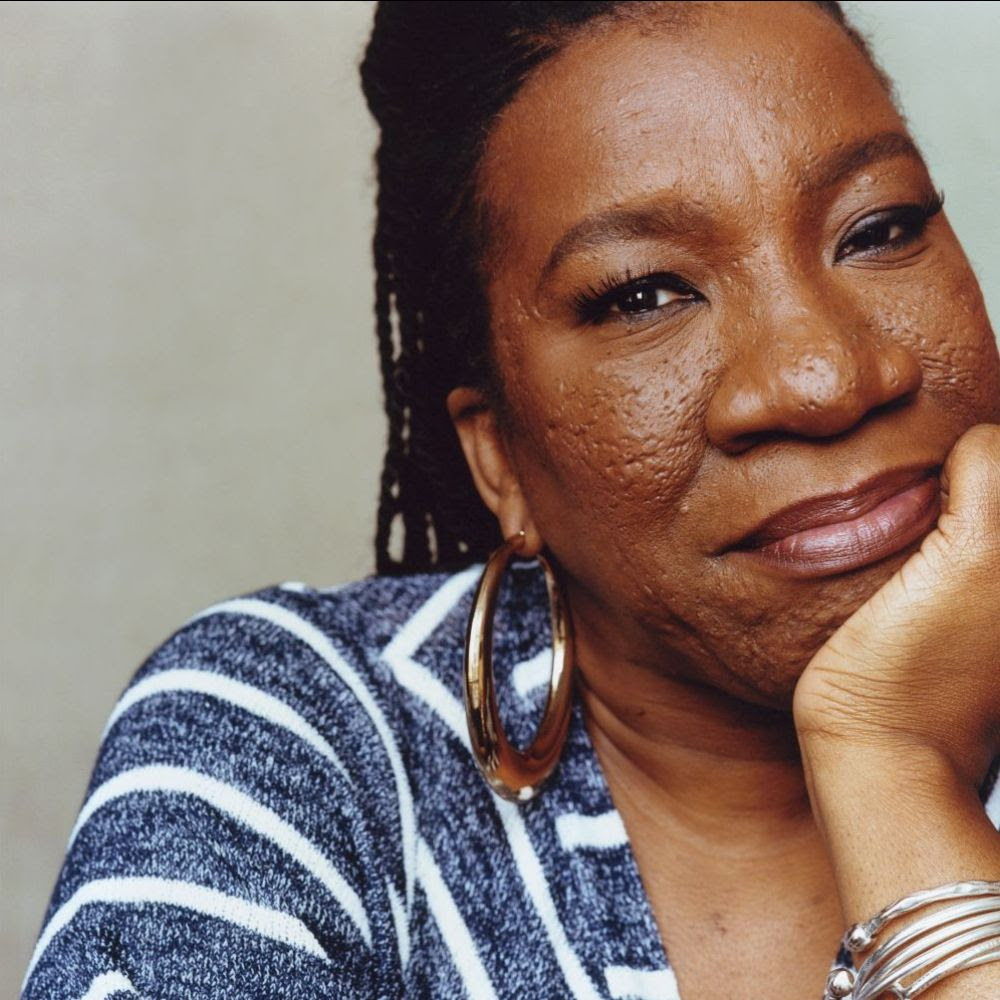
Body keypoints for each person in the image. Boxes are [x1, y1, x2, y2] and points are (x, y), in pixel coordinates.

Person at [22, 2, 1000, 998]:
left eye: (878, 228)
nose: (824, 377)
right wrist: (895, 757)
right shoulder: (294, 739)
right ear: (498, 457)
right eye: (643, 295)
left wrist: (894, 772)